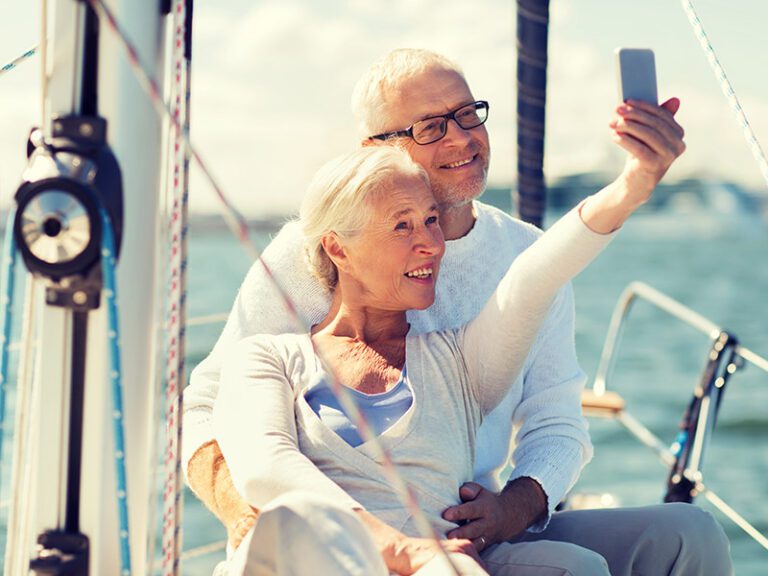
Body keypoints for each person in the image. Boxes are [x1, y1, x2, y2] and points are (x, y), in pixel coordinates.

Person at [184, 49, 732, 575]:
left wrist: (512, 509)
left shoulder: (499, 281)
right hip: (334, 532)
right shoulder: (298, 268)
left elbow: (555, 406)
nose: (463, 138)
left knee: (690, 533)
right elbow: (211, 412)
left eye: (468, 115)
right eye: (431, 127)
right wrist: (252, 514)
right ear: (374, 149)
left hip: (468, 520)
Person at [215, 144, 619, 575]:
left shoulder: (458, 361)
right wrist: (402, 550)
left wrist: (632, 187)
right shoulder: (264, 359)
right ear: (338, 249)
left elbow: (534, 278)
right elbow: (266, 469)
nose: (430, 244)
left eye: (431, 220)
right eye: (402, 226)